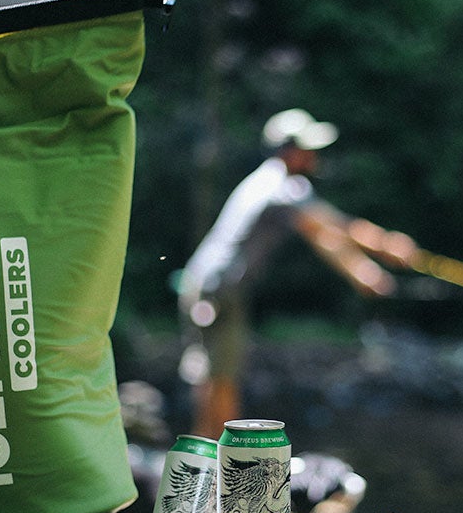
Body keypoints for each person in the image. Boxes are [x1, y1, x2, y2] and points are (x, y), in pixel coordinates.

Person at [176, 108, 418, 438]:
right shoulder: (279, 187)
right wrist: (387, 245)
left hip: (214, 289)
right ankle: (215, 463)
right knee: (220, 380)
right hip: (216, 292)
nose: (315, 155)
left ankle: (212, 461)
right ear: (290, 151)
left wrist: (363, 273)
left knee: (219, 378)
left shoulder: (279, 183)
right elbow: (334, 226)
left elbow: (323, 238)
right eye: (309, 148)